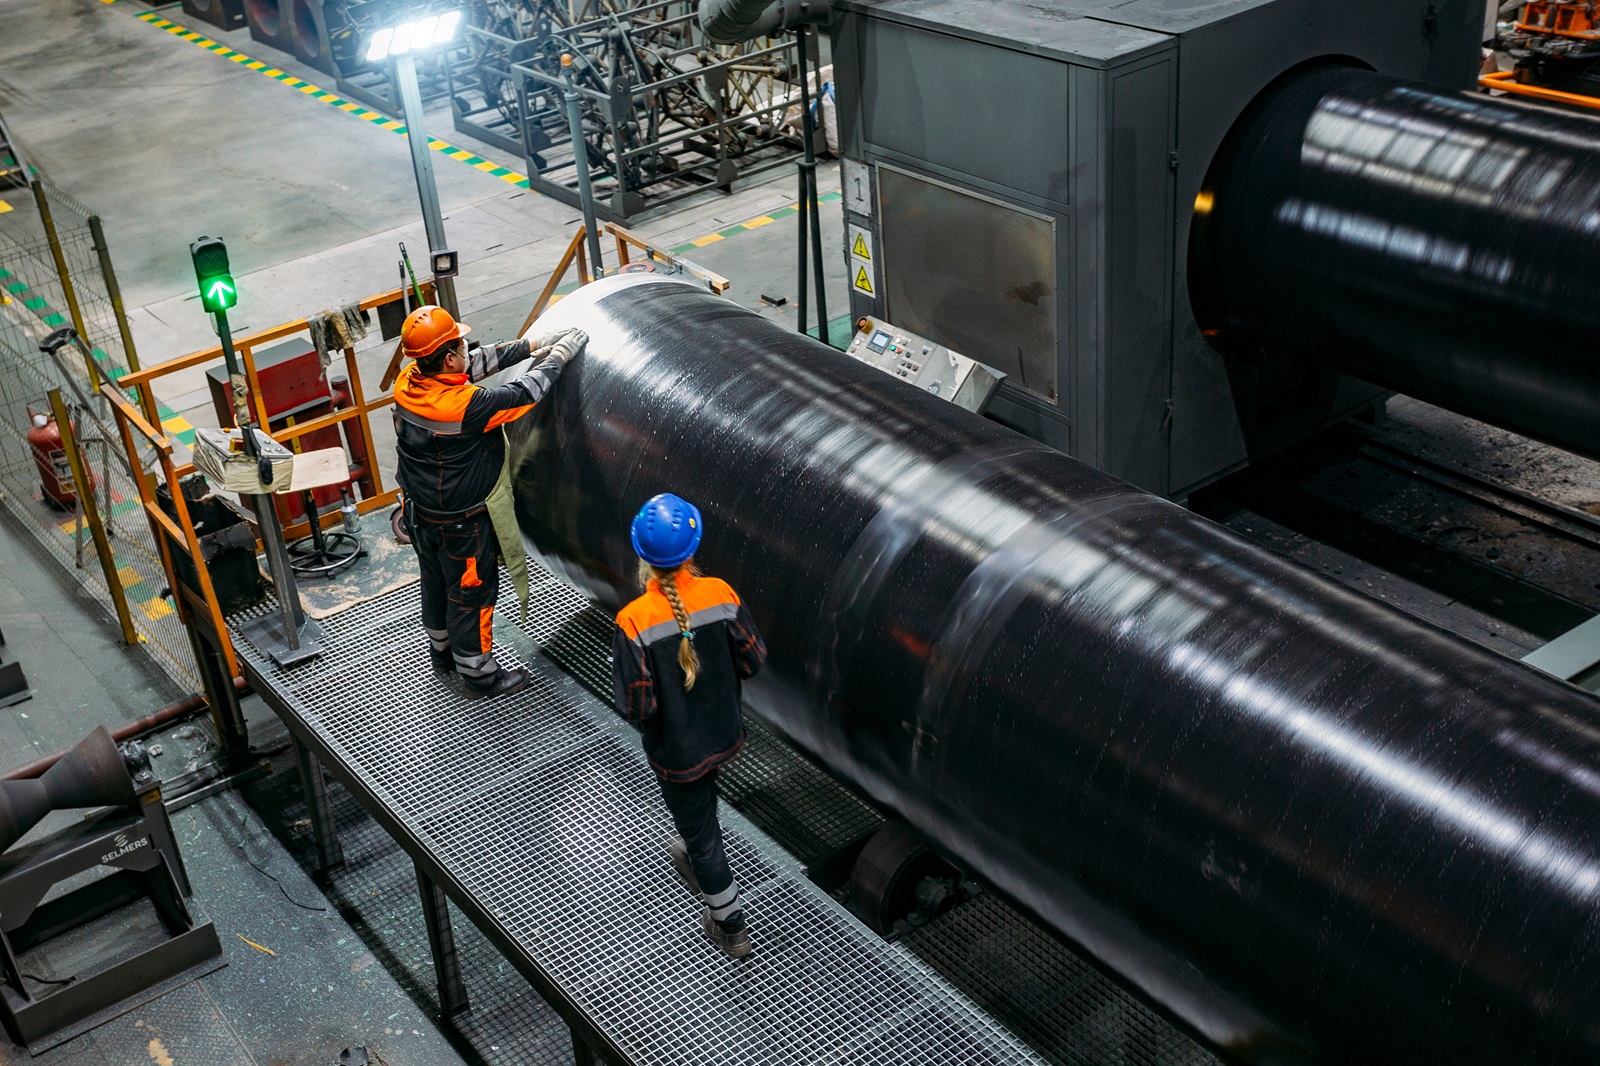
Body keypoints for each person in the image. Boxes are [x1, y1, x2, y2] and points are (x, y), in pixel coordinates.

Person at [393, 304, 586, 699]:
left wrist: (532, 344)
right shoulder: (464, 407)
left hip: (421, 514)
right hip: (460, 527)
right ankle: (479, 675)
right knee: (470, 595)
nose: (468, 349)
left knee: (435, 582)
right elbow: (523, 393)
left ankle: (442, 654)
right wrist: (560, 355)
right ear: (447, 357)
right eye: (460, 346)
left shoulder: (409, 379)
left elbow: (474, 364)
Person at [610, 493, 767, 958]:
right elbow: (753, 659)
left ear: (642, 558)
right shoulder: (721, 593)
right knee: (700, 809)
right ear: (692, 552)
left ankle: (729, 923)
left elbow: (636, 704)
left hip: (678, 751)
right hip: (723, 732)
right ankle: (693, 842)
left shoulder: (633, 620)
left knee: (703, 840)